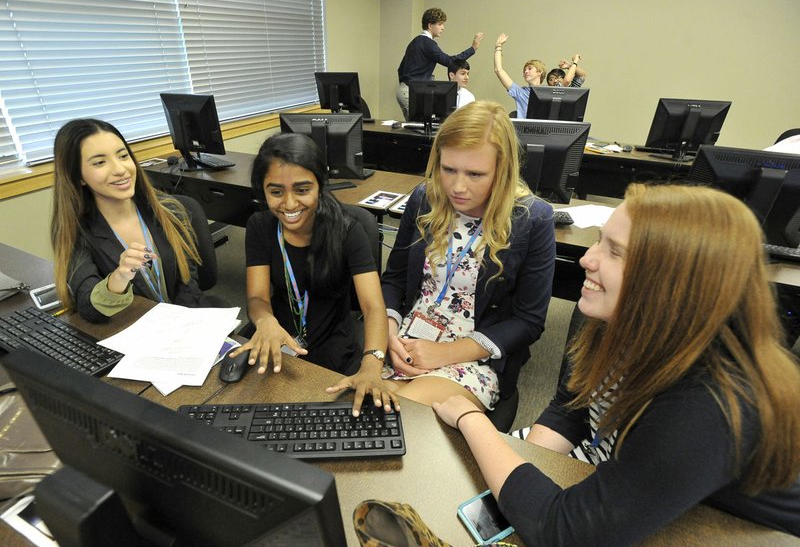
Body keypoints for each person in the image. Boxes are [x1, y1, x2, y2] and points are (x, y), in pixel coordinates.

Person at [433, 183, 800, 545]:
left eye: (615, 252)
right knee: (458, 481)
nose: (586, 259)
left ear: (669, 283)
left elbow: (564, 535)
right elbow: (573, 405)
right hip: (625, 462)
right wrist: (527, 462)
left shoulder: (709, 403)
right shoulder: (626, 321)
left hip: (725, 528)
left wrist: (472, 419)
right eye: (599, 241)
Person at [380, 101, 556, 411]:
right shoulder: (425, 198)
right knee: (363, 407)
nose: (458, 187)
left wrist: (444, 353)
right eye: (448, 170)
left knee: (399, 413)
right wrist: (389, 329)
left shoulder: (531, 218)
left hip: (473, 356)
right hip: (405, 340)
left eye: (475, 174)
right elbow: (394, 278)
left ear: (502, 172)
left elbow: (529, 321)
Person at [233, 133, 397, 415]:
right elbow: (258, 297)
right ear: (262, 191)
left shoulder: (348, 229)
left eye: (302, 189)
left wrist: (372, 363)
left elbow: (373, 307)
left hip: (332, 344)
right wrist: (265, 321)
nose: (289, 204)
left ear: (320, 186)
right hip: (276, 338)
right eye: (276, 192)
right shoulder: (260, 226)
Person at [51, 118, 218, 323]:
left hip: (182, 324)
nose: (120, 169)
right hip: (130, 330)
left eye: (123, 156)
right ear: (78, 177)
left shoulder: (170, 211)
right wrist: (119, 277)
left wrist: (179, 325)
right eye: (100, 162)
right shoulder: (77, 231)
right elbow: (89, 308)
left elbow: (188, 283)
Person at [396, 7, 483, 121]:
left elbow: (400, 69)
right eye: (440, 24)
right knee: (419, 128)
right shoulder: (428, 43)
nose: (443, 27)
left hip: (404, 90)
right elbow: (450, 61)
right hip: (410, 92)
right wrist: (473, 48)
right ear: (430, 25)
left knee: (417, 127)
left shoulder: (415, 41)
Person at [493, 33, 546, 118]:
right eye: (524, 70)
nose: (525, 71)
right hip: (525, 130)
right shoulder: (521, 93)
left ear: (539, 72)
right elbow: (498, 70)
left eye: (529, 68)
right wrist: (498, 47)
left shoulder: (549, 92)